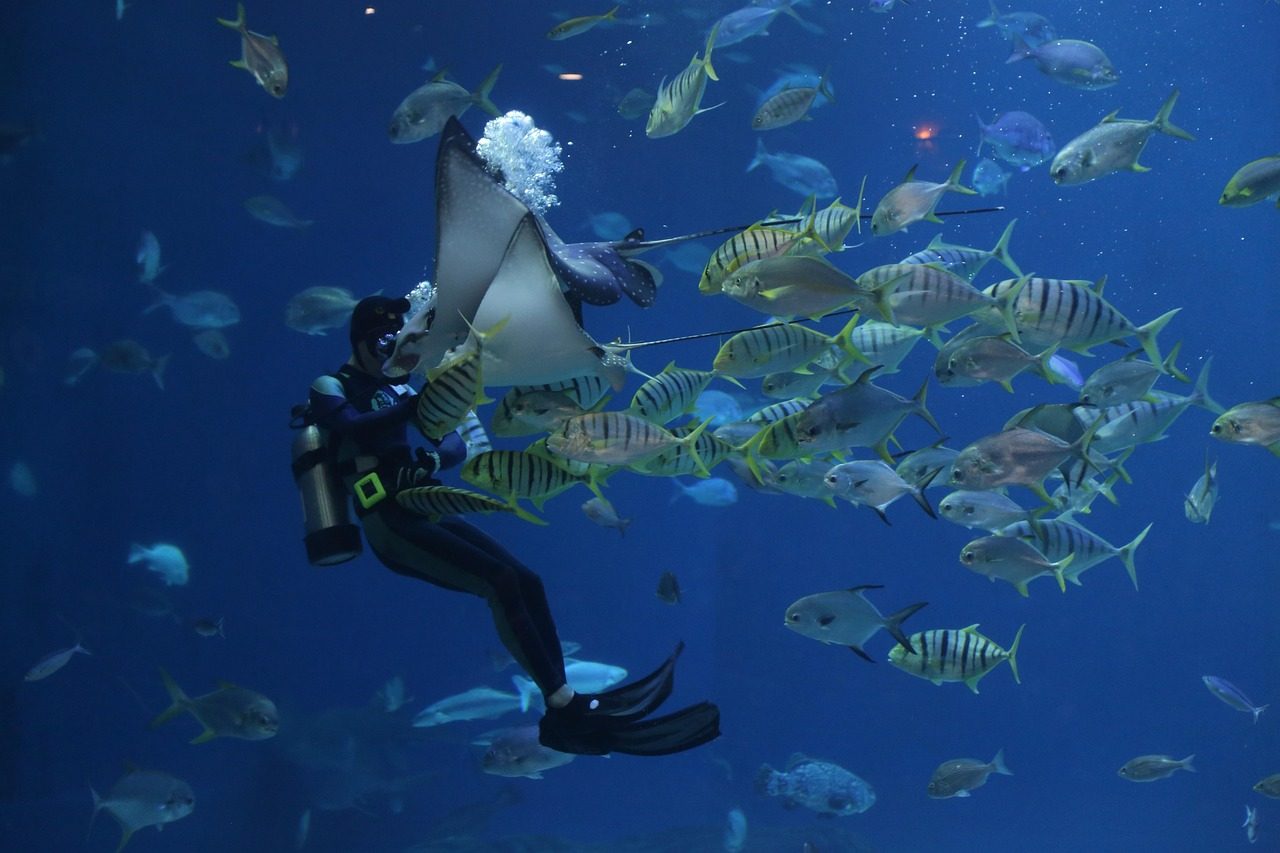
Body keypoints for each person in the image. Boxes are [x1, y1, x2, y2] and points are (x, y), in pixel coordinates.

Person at [304, 295, 720, 756]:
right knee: (498, 582)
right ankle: (561, 705)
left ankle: (567, 696)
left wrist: (429, 457)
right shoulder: (332, 385)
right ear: (361, 339)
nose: (391, 351)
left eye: (395, 340)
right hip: (386, 519)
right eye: (382, 341)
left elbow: (456, 445)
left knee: (526, 579)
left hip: (421, 502)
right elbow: (350, 426)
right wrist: (420, 402)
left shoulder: (399, 390)